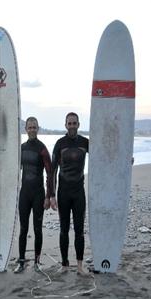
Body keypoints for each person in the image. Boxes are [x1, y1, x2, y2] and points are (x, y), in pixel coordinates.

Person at [14, 117, 54, 273]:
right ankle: (22, 261)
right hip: (24, 194)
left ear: (38, 128)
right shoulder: (21, 148)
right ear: (26, 129)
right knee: (23, 229)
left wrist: (48, 196)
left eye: (34, 127)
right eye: (29, 127)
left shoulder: (42, 148)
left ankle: (37, 262)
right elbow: (11, 166)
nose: (32, 130)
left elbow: (50, 173)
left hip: (38, 194)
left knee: (38, 229)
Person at [50, 112, 88, 274]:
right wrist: (51, 195)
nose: (72, 126)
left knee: (79, 230)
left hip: (79, 192)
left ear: (78, 125)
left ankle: (80, 266)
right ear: (65, 125)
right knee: (63, 229)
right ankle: (65, 264)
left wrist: (125, 159)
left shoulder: (85, 143)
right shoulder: (60, 143)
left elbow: (103, 156)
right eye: (69, 123)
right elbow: (52, 171)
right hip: (63, 193)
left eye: (74, 123)